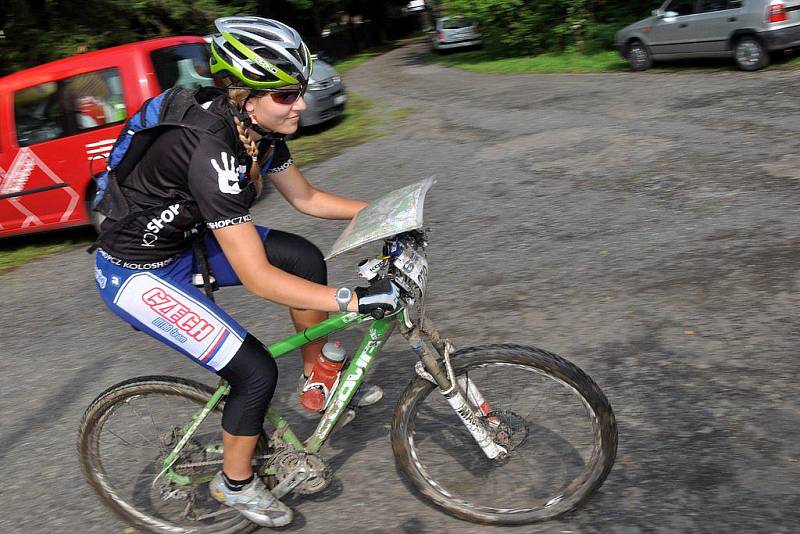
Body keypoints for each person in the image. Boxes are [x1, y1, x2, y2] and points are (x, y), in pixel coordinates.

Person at [92, 16, 400, 528]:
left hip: (184, 244)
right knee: (254, 371)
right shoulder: (209, 149)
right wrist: (355, 302)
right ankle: (234, 483)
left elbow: (307, 199)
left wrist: (390, 212)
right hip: (136, 273)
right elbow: (257, 277)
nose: (300, 104)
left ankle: (319, 381)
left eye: (298, 91)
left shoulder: (257, 128)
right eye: (285, 95)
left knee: (300, 255)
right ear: (244, 94)